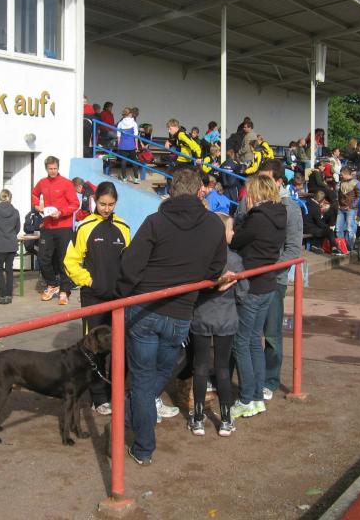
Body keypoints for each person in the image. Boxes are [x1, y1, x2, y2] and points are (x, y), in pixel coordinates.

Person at [116, 167, 227, 465]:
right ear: (199, 192)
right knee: (158, 374)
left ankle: (141, 444)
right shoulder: (214, 225)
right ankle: (131, 424)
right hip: (180, 313)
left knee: (143, 380)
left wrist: (122, 295)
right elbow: (215, 269)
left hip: (145, 310)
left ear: (171, 192)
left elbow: (130, 265)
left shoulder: (156, 222)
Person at [64, 181, 130, 415]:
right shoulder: (84, 227)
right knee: (94, 348)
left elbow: (129, 261)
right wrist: (89, 281)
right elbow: (70, 261)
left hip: (118, 298)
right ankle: (99, 397)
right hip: (93, 298)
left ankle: (117, 392)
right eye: (102, 204)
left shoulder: (123, 227)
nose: (106, 209)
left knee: (120, 347)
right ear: (95, 201)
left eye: (111, 204)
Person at [230, 174, 286, 420]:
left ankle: (246, 398)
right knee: (254, 340)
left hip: (252, 285)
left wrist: (232, 227)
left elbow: (236, 241)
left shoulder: (257, 218)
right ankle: (256, 397)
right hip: (268, 283)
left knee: (241, 342)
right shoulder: (280, 214)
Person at [189, 213, 246, 437]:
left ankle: (198, 418)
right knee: (222, 368)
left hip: (202, 317)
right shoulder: (235, 260)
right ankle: (225, 418)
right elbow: (243, 293)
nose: (233, 232)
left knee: (200, 366)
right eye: (231, 229)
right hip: (226, 318)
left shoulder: (199, 258)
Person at [257, 160, 303, 402]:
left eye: (266, 179)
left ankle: (270, 380)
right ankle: (252, 378)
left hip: (275, 279)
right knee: (246, 332)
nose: (261, 184)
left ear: (278, 181)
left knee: (272, 333)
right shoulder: (251, 202)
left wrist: (270, 269)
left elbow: (293, 249)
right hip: (251, 277)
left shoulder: (290, 209)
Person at [31, 156, 80, 305]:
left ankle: (64, 291)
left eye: (55, 168)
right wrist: (37, 206)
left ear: (58, 168)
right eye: (50, 169)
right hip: (47, 226)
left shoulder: (66, 183)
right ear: (46, 168)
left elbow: (75, 204)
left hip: (64, 227)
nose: (53, 171)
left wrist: (61, 212)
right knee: (42, 258)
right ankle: (52, 285)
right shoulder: (42, 182)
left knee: (64, 259)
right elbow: (34, 194)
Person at [0, 189, 20, 304]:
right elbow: (18, 229)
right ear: (10, 198)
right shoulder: (15, 212)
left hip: (0, 245)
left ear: (0, 197)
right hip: (12, 244)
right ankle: (9, 295)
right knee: (9, 270)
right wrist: (11, 235)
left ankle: (3, 294)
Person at [336, 166, 360, 252]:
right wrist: (338, 204)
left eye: (341, 174)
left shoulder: (356, 183)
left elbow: (359, 196)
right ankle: (341, 247)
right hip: (341, 208)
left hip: (351, 209)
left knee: (350, 229)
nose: (340, 176)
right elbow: (339, 195)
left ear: (346, 173)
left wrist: (351, 206)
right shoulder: (341, 183)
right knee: (338, 229)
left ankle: (350, 248)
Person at [116, 107, 140, 184]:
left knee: (123, 161)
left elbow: (118, 136)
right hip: (131, 145)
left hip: (123, 145)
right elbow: (136, 136)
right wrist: (136, 146)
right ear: (130, 114)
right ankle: (136, 178)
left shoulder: (120, 123)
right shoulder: (134, 123)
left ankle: (124, 178)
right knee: (134, 161)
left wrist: (119, 145)